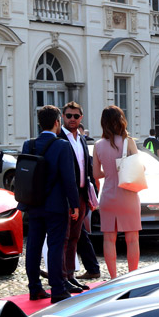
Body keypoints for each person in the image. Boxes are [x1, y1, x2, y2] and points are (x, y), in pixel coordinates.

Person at [21, 105, 79, 302]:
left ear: (40, 123)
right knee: (55, 246)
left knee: (33, 246)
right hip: (55, 205)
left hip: (33, 203)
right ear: (57, 122)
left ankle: (34, 288)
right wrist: (75, 204)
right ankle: (57, 288)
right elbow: (69, 179)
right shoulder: (62, 145)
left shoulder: (29, 145)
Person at [93, 105, 142, 278]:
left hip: (108, 195)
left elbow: (96, 174)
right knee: (132, 238)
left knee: (109, 239)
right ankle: (132, 276)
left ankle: (113, 277)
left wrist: (109, 172)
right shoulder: (128, 142)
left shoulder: (98, 145)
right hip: (128, 195)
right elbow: (139, 168)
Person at [59, 102, 95, 294]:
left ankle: (70, 275)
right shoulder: (58, 138)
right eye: (68, 116)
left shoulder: (81, 139)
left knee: (75, 236)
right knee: (64, 238)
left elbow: (87, 168)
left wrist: (90, 194)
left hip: (81, 194)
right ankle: (62, 278)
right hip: (64, 196)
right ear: (62, 117)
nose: (72, 119)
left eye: (75, 116)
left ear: (81, 118)